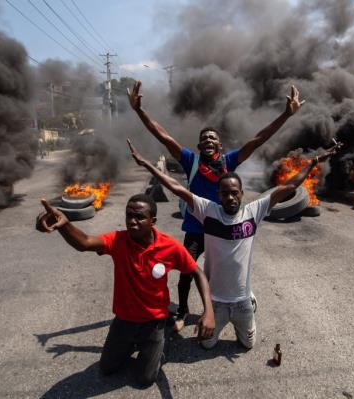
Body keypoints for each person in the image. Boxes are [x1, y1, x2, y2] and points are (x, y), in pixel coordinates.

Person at [127, 80, 304, 331]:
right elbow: (163, 136)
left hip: (224, 226)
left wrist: (286, 114)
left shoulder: (229, 162)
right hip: (197, 227)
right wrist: (139, 111)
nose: (208, 139)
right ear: (200, 146)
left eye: (212, 137)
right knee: (186, 269)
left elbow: (258, 139)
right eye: (204, 138)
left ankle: (241, 300)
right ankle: (183, 311)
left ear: (219, 145)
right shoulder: (191, 160)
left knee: (230, 269)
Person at [127, 139, 338, 350]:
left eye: (234, 192)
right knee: (206, 345)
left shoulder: (253, 212)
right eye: (225, 193)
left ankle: (250, 304)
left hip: (242, 302)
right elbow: (175, 187)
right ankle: (215, 319)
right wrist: (147, 164)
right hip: (215, 302)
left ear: (241, 194)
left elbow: (289, 186)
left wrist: (313, 162)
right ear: (218, 195)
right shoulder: (207, 210)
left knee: (248, 345)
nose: (230, 197)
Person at [36, 194, 215, 387]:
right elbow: (85, 242)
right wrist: (63, 225)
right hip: (124, 321)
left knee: (145, 379)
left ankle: (163, 342)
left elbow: (197, 272)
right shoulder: (118, 240)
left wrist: (209, 311)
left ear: (153, 221)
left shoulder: (169, 246)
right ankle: (137, 345)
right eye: (129, 216)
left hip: (154, 322)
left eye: (139, 217)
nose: (132, 221)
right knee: (107, 368)